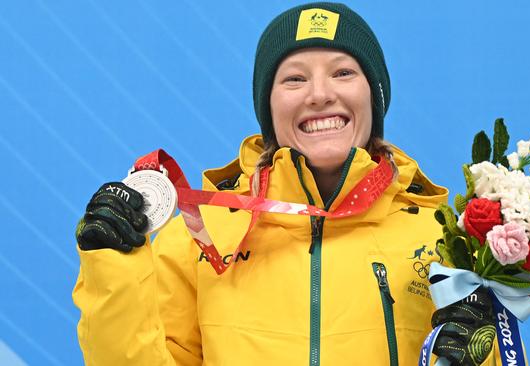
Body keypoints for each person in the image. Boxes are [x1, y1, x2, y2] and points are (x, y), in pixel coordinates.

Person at [73, 3, 503, 365]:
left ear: (374, 98)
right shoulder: (199, 235)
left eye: (343, 73)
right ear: (269, 107)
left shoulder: (445, 240)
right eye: (294, 78)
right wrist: (114, 265)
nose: (318, 94)